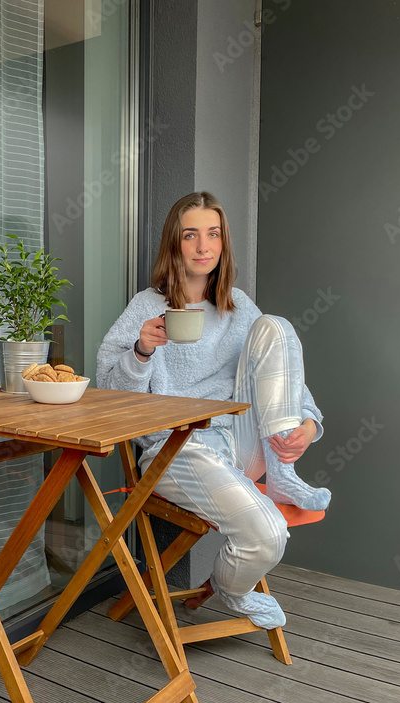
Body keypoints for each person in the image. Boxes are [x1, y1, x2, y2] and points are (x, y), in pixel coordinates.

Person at [96, 191, 331, 629]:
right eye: (191, 236)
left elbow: (283, 371)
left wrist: (308, 423)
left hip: (244, 441)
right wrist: (141, 351)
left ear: (223, 244)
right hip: (177, 447)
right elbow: (110, 393)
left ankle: (282, 474)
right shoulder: (148, 305)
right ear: (175, 244)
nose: (203, 247)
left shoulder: (237, 305)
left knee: (276, 327)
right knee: (266, 534)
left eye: (213, 234)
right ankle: (232, 588)